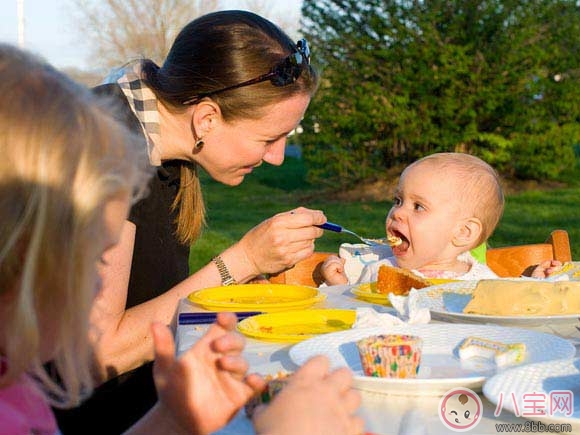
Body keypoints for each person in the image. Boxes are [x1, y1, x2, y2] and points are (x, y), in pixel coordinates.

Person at [0, 43, 364, 435]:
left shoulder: (18, 394)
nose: (277, 156)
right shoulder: (117, 150)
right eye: (269, 137)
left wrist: (173, 419)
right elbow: (96, 351)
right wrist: (243, 261)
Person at [322, 152, 504, 285]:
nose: (397, 212)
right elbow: (356, 314)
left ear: (463, 232)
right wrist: (340, 287)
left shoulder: (483, 283)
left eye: (418, 206)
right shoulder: (379, 272)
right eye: (398, 201)